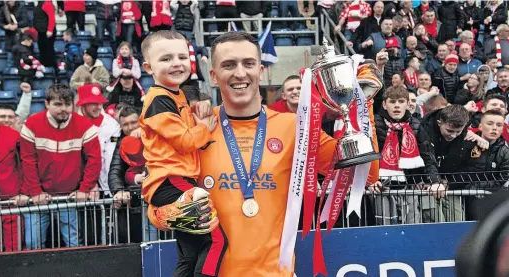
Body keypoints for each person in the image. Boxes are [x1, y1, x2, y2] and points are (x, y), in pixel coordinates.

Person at [201, 31, 339, 276]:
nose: (240, 73)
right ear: (213, 75)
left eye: (249, 63)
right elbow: (159, 207)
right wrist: (172, 212)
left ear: (261, 71)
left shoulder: (294, 126)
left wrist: (363, 106)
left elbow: (366, 176)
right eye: (229, 65)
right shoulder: (196, 129)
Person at [140, 30, 222, 277]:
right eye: (166, 59)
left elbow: (184, 122)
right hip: (172, 180)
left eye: (182, 57)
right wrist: (205, 127)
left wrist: (198, 107)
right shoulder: (159, 99)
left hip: (172, 180)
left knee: (190, 253)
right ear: (148, 67)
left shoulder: (176, 95)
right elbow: (187, 141)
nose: (176, 63)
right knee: (218, 240)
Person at [20, 84, 102, 250]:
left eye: (67, 104)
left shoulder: (84, 125)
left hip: (68, 197)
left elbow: (94, 160)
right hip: (38, 196)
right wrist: (35, 192)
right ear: (47, 104)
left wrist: (84, 189)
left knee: (73, 242)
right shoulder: (31, 124)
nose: (63, 109)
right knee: (32, 243)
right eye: (58, 104)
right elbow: (28, 161)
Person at [370, 86, 424, 225]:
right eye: (392, 102)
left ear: (407, 104)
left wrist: (422, 179)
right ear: (384, 104)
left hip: (407, 186)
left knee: (412, 224)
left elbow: (427, 154)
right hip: (381, 185)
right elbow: (367, 155)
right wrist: (369, 181)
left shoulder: (415, 124)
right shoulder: (374, 124)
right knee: (384, 226)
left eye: (401, 101)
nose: (397, 106)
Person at [76, 83, 121, 198]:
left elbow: (113, 159)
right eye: (93, 103)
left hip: (108, 185)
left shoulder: (112, 125)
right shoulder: (74, 124)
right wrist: (89, 184)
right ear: (83, 105)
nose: (99, 107)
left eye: (100, 103)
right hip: (82, 188)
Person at [0, 113, 29, 252]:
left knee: (14, 251)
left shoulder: (12, 135)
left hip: (11, 201)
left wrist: (24, 191)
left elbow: (27, 164)